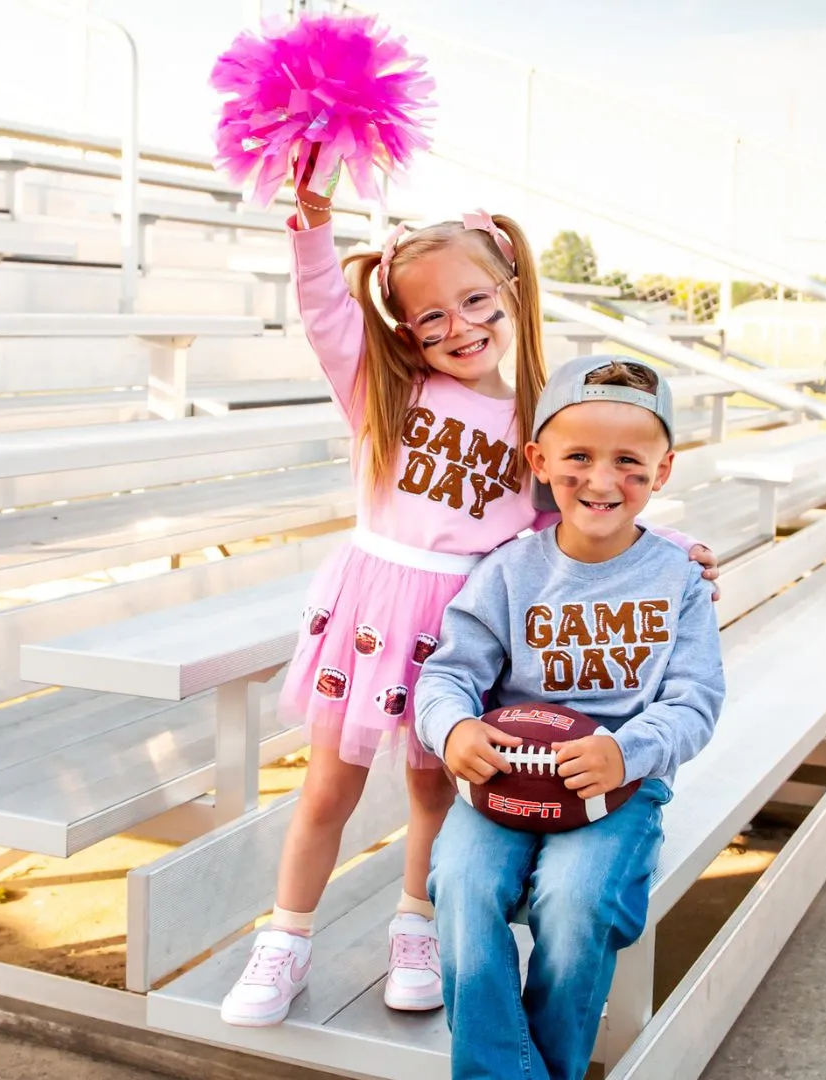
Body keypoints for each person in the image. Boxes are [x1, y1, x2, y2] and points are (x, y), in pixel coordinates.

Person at [219, 157, 720, 1027]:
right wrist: (310, 222)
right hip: (373, 613)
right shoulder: (387, 392)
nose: (460, 326)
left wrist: (665, 543)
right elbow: (327, 316)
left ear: (510, 292)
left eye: (477, 302)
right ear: (408, 333)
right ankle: (286, 937)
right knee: (328, 788)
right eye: (431, 316)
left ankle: (415, 927)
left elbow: (568, 506)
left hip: (461, 628)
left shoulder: (535, 419)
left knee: (434, 791)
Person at [414, 355, 727, 1080]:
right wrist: (454, 728)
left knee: (576, 899)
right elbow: (450, 673)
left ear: (665, 468)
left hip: (619, 779)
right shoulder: (507, 571)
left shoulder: (678, 580)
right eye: (578, 457)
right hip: (506, 777)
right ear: (539, 460)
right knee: (461, 881)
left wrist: (630, 751)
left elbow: (695, 700)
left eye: (630, 462)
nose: (602, 479)